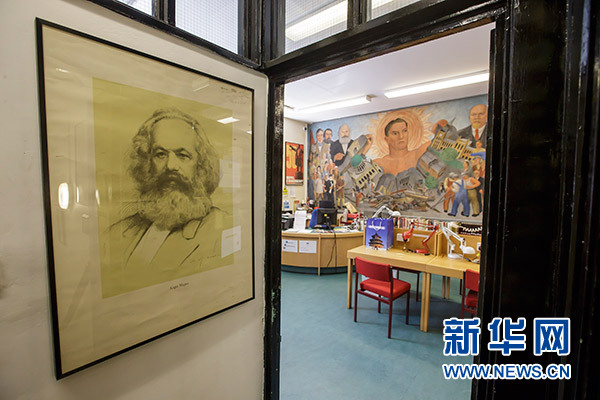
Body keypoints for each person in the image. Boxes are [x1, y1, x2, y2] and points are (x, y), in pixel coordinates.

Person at [101, 108, 230, 297]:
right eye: (160, 154)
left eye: (183, 155)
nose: (171, 166)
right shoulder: (115, 233)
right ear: (147, 163)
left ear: (200, 165)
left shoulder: (223, 229)